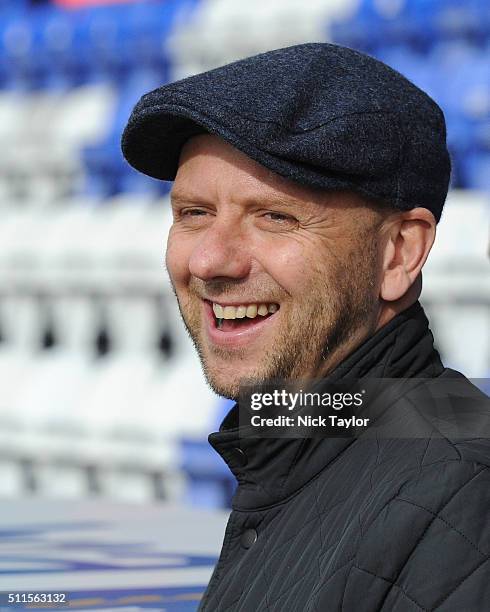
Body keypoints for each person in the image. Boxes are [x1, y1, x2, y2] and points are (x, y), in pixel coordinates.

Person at [122, 44, 490, 611]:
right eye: (193, 213)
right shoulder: (299, 441)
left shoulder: (464, 492)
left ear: (398, 253)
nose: (208, 261)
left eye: (275, 217)